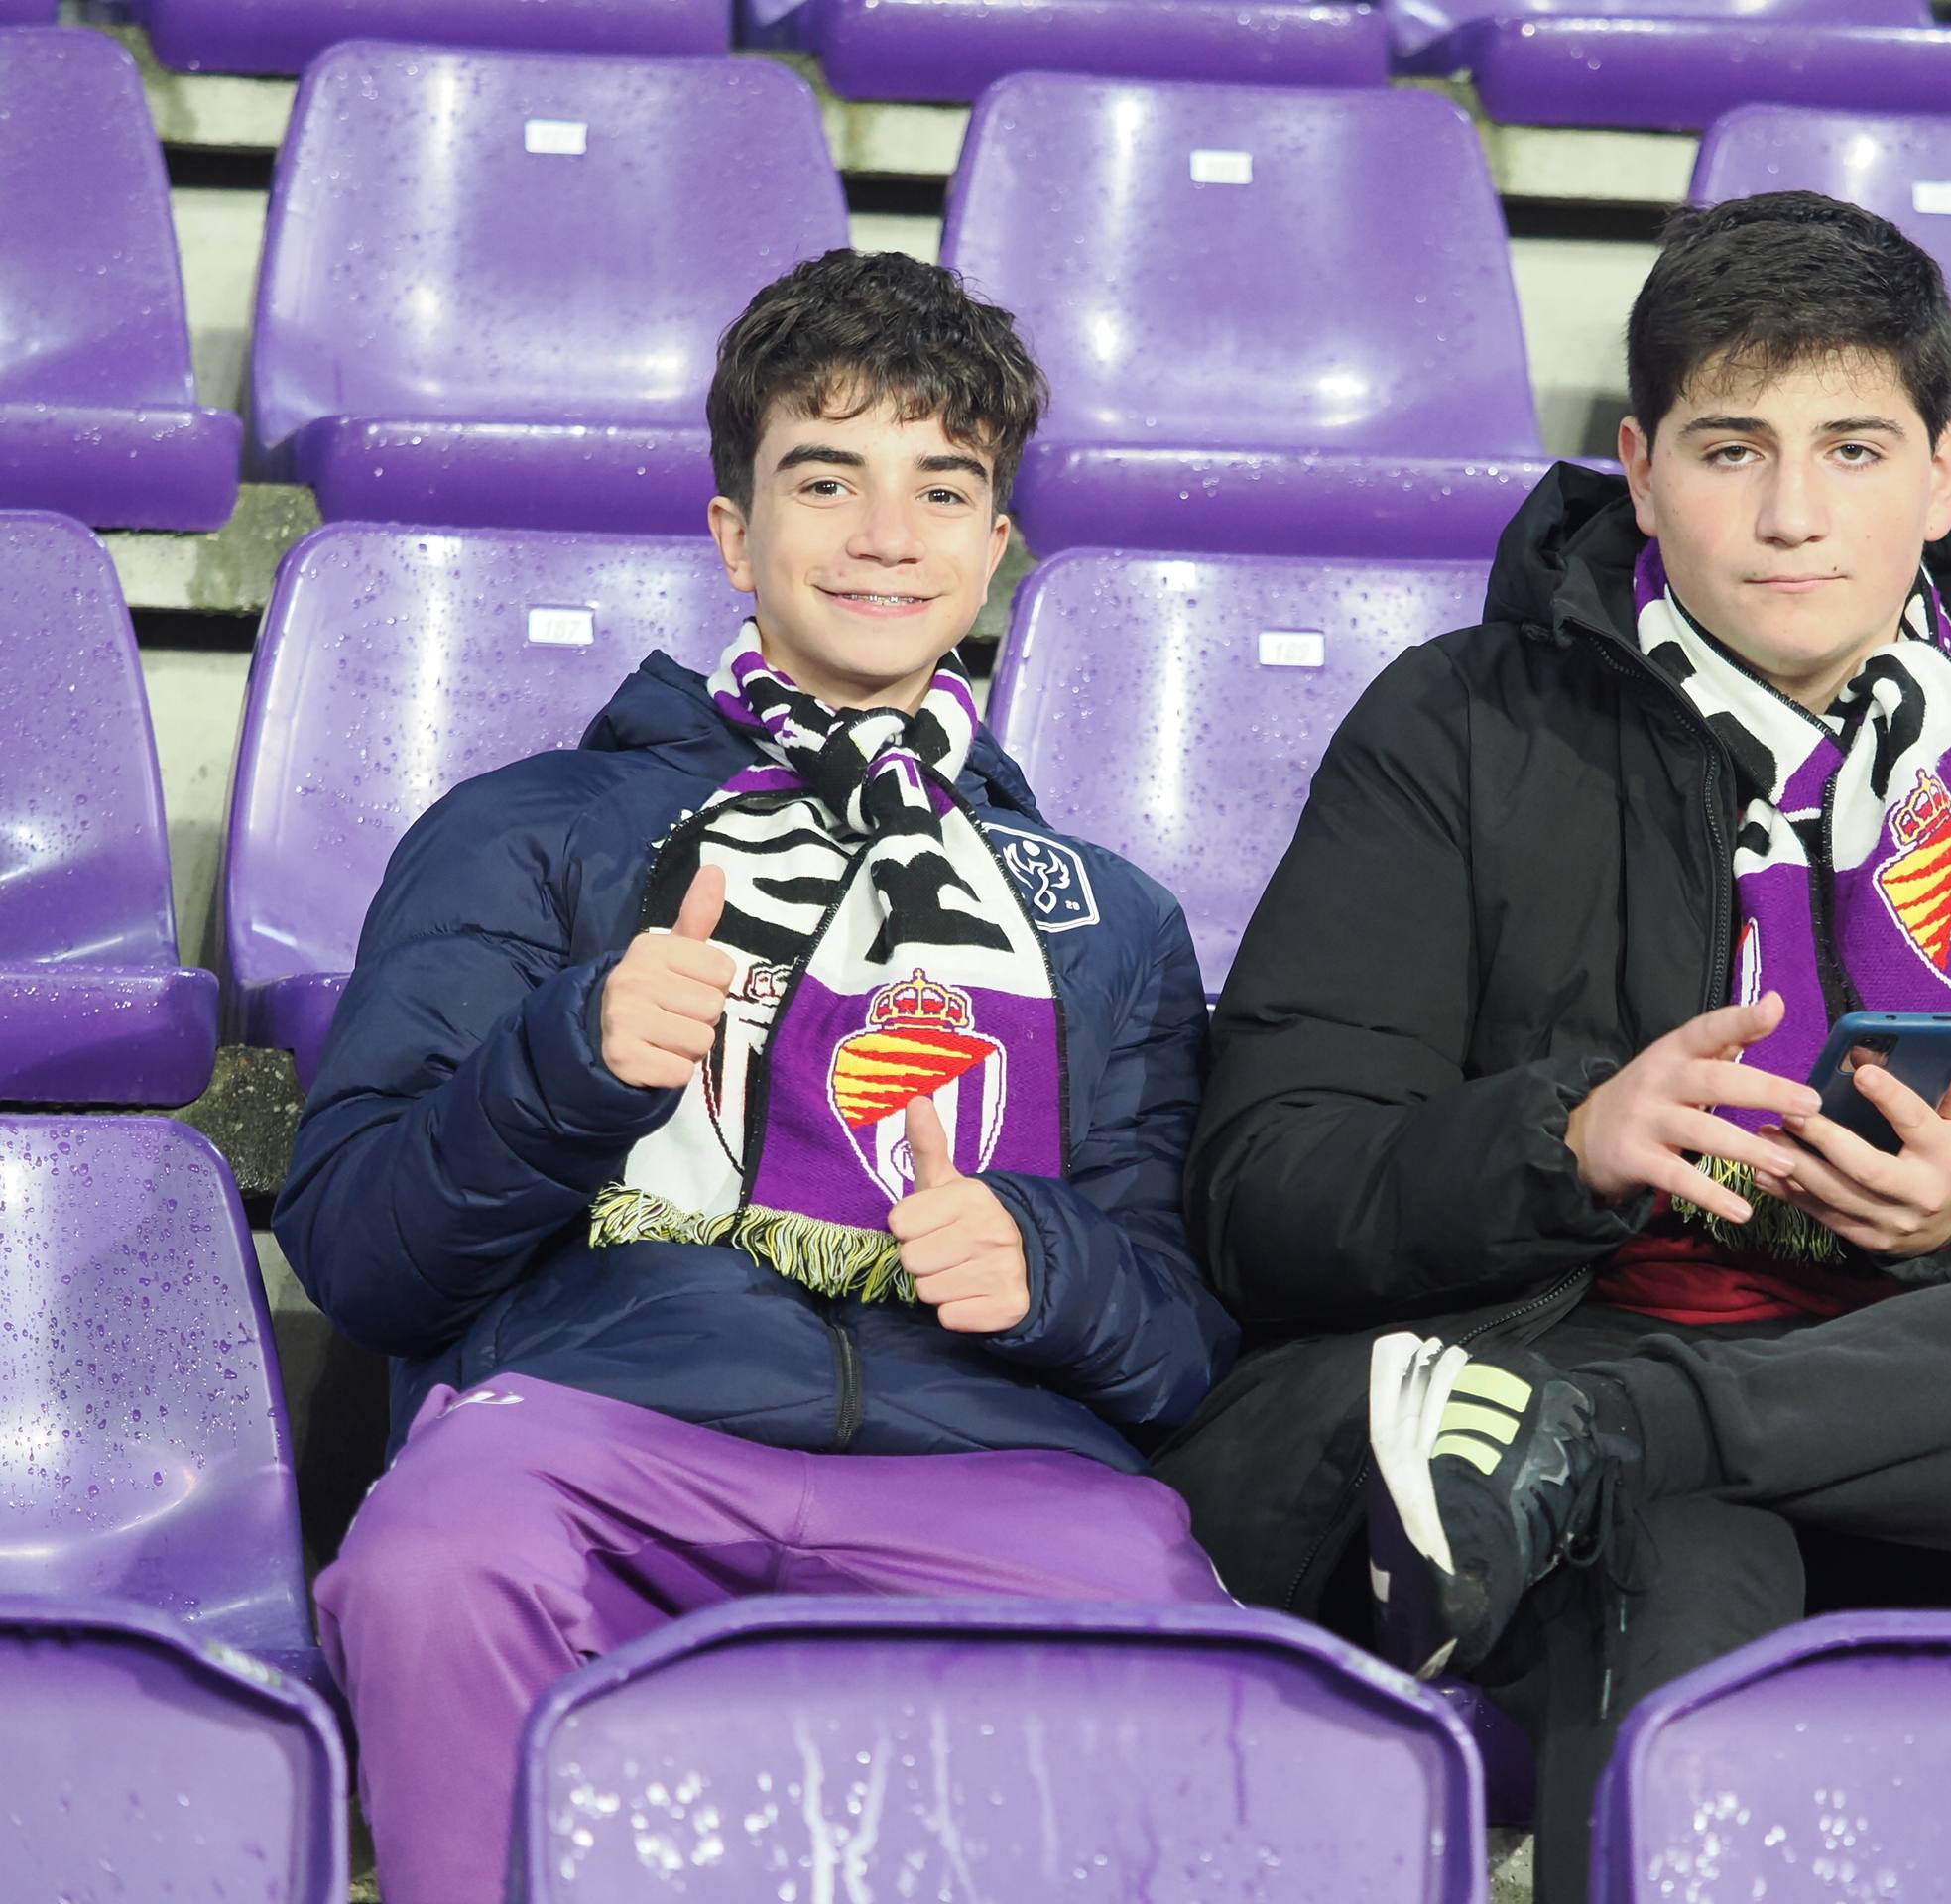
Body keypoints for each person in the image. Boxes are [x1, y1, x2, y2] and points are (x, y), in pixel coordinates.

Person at [1155, 191, 1951, 1899]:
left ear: (1945, 474)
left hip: (1919, 1451)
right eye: (1734, 451)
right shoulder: (1461, 723)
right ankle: (1607, 1459)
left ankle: (1623, 1445)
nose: (1796, 515)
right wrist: (1564, 1139)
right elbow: (1259, 1193)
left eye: (1855, 449)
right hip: (1527, 1401)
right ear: (1643, 472)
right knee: (1672, 1561)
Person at [275, 249, 1239, 1904]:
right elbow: (356, 1246)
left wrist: (1053, 1263)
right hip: (603, 1428)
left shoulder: (1106, 912)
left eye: (944, 489)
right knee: (438, 1561)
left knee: (1174, 1634)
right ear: (734, 534)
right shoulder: (530, 828)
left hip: (987, 1470)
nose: (886, 535)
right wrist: (565, 1060)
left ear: (993, 550)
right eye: (826, 478)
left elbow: (1183, 1337)